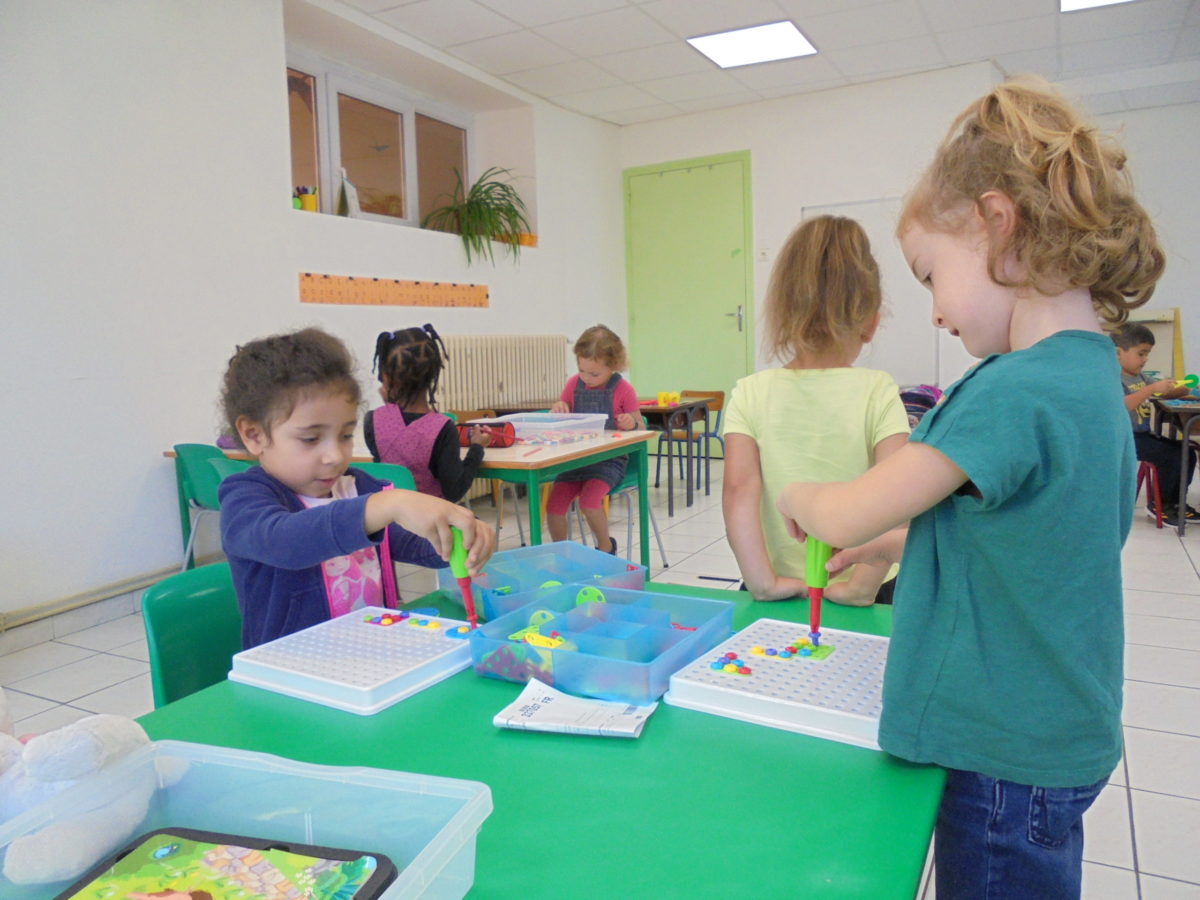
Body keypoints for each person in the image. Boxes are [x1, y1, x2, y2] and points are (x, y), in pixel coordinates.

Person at [776, 78, 1164, 899]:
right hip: (1057, 734)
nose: (934, 312)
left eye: (930, 276)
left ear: (997, 223)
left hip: (1001, 758)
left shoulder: (1011, 388)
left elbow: (844, 506)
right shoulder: (1090, 374)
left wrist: (803, 498)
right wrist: (890, 542)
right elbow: (1025, 539)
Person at [218, 326, 495, 648]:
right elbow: (284, 541)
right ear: (254, 435)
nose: (335, 456)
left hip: (370, 655)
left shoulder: (356, 486)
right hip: (290, 666)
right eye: (311, 438)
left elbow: (411, 542)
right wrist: (387, 504)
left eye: (346, 435)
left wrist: (459, 535)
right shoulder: (245, 496)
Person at [722, 215, 910, 604]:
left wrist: (761, 581)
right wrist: (861, 586)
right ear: (872, 322)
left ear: (782, 314)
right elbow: (899, 495)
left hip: (782, 582)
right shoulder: (879, 391)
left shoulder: (749, 393)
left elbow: (739, 491)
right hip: (866, 586)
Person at [546, 325, 644, 554]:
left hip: (609, 461)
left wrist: (631, 423)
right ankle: (561, 553)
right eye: (582, 370)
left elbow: (641, 427)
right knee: (554, 508)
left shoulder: (623, 389)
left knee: (589, 504)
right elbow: (563, 412)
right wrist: (560, 407)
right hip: (575, 459)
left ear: (614, 366)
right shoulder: (573, 385)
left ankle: (606, 548)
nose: (586, 378)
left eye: (594, 374)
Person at [364, 324, 490, 502]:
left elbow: (391, 464)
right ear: (433, 373)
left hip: (388, 516)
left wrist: (390, 403)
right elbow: (455, 490)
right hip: (431, 518)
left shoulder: (372, 420)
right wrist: (477, 448)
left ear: (387, 377)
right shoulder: (443, 428)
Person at [1110, 321, 1196, 525]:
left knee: (1187, 452)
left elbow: (1163, 391)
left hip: (1142, 436)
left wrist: (1182, 389)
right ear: (1118, 353)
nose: (1145, 359)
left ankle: (1176, 503)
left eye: (1147, 354)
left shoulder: (1139, 376)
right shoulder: (1113, 378)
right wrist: (1151, 389)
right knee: (1170, 456)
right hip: (1126, 439)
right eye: (1141, 354)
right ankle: (1160, 505)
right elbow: (1122, 405)